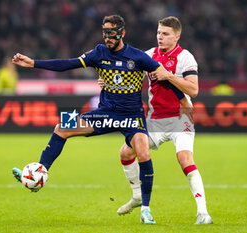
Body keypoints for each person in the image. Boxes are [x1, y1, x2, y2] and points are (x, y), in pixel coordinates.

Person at [11, 15, 184, 225]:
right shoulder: (99, 52)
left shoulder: (138, 57)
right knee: (61, 126)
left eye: (112, 33)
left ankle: (145, 209)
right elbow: (68, 64)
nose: (108, 37)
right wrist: (34, 63)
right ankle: (38, 173)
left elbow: (165, 77)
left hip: (131, 116)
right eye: (105, 33)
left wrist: (183, 99)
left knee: (143, 151)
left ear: (122, 33)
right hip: (105, 113)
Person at [99, 16, 212, 224]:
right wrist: (108, 79)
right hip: (155, 120)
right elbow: (127, 74)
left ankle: (203, 213)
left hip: (181, 118)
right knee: (126, 152)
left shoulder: (186, 58)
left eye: (166, 34)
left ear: (177, 37)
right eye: (159, 32)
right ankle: (137, 195)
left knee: (184, 159)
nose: (160, 37)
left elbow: (193, 90)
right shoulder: (149, 55)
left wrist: (169, 76)